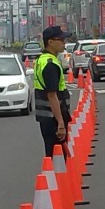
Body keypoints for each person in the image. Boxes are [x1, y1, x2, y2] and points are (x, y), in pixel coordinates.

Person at [34, 26, 72, 157]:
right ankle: (59, 177)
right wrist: (61, 123)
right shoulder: (50, 64)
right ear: (50, 42)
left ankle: (53, 176)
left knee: (52, 154)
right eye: (61, 39)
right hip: (53, 118)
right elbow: (52, 96)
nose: (64, 43)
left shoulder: (41, 60)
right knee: (58, 156)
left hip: (45, 117)